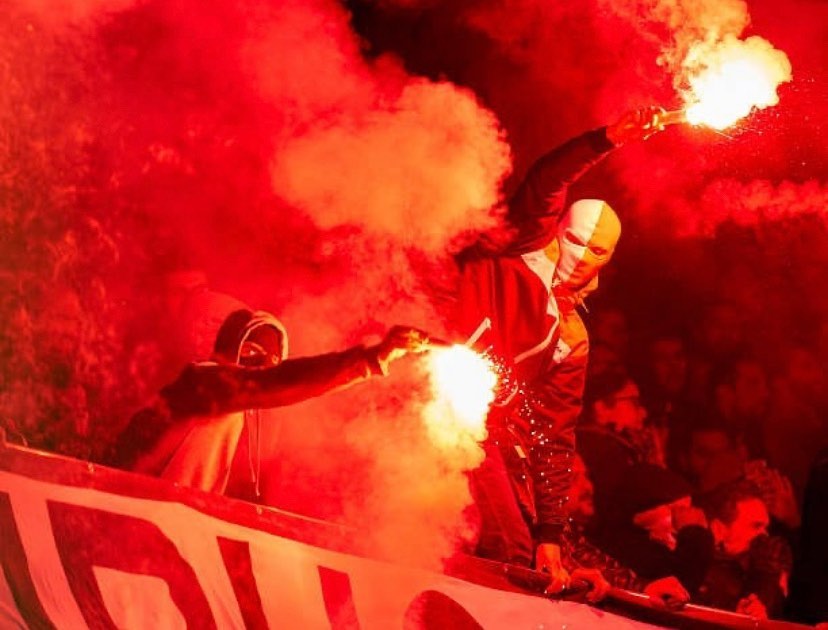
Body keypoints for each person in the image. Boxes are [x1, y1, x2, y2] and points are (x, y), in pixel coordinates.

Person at [455, 106, 667, 591]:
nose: (578, 255)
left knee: (517, 550)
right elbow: (545, 180)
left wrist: (550, 533)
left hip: (477, 434)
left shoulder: (571, 338)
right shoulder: (520, 248)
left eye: (595, 252)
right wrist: (607, 138)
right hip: (418, 391)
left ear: (607, 261)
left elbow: (555, 433)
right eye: (572, 239)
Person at [107, 308, 431, 494]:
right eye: (252, 353)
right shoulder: (200, 382)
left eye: (272, 361)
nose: (262, 365)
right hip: (131, 523)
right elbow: (274, 383)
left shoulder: (251, 422)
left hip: (175, 537)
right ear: (226, 351)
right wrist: (372, 358)